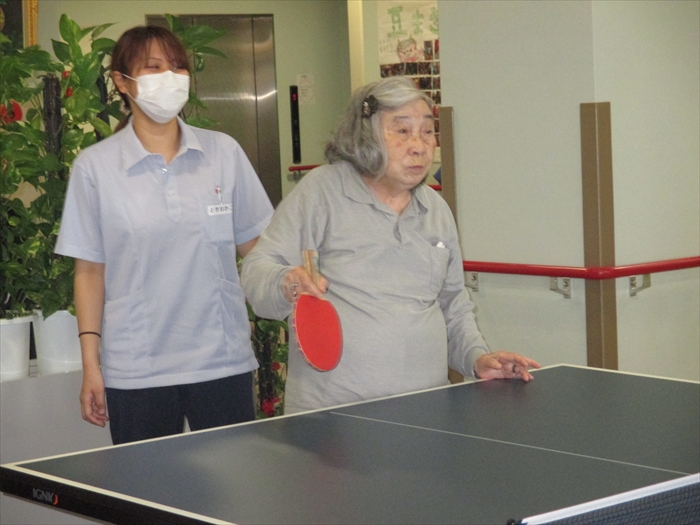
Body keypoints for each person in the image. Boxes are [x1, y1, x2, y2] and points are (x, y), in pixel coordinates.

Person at [241, 77, 540, 414]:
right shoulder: (321, 192)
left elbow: (453, 304)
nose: (419, 146)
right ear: (365, 136)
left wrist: (476, 357)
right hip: (333, 419)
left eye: (427, 132)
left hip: (426, 411)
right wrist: (285, 282)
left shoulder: (436, 209)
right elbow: (256, 271)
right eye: (402, 131)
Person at [55, 26, 274, 444]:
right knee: (145, 484)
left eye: (177, 67)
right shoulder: (95, 167)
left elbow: (256, 246)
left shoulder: (223, 153)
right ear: (122, 82)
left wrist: (293, 281)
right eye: (154, 67)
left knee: (235, 480)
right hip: (137, 368)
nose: (170, 78)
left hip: (222, 360)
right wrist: (91, 365)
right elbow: (90, 272)